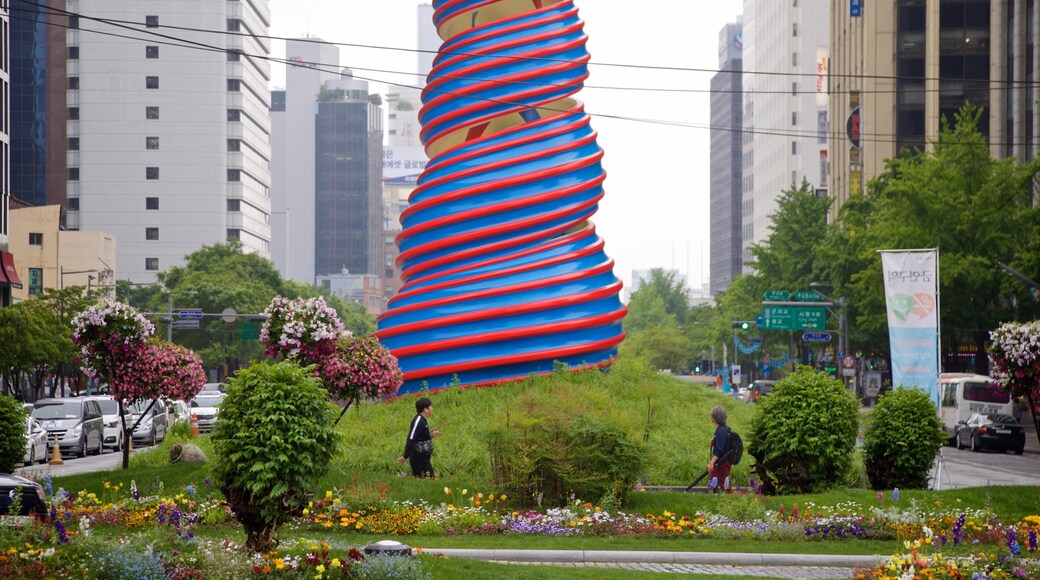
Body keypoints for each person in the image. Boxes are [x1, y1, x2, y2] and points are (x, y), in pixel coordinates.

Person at [397, 397, 440, 478]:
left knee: (429, 479)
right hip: (418, 458)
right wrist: (405, 456)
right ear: (425, 409)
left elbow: (420, 437)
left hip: (424, 457)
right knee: (427, 480)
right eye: (431, 407)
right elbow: (411, 438)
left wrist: (430, 434)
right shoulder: (418, 421)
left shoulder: (423, 420)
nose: (432, 409)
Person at [707, 405, 732, 492]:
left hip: (722, 464)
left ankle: (732, 501)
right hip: (719, 463)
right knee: (713, 484)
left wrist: (711, 463)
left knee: (725, 487)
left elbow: (719, 451)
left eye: (712, 416)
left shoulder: (721, 431)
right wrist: (714, 441)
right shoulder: (723, 429)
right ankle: (713, 499)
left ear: (715, 418)